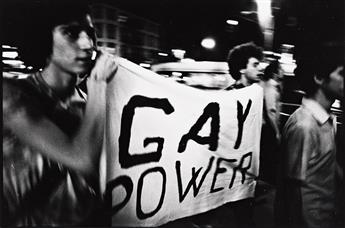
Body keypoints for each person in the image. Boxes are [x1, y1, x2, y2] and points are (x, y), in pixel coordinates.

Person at [2, 1, 118, 226]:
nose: (87, 44)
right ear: (43, 37)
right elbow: (80, 158)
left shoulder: (90, 103)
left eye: (90, 34)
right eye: (71, 33)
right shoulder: (12, 96)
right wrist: (99, 84)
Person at [275, 43, 344, 228]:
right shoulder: (304, 125)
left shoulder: (327, 119)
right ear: (319, 78)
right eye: (341, 74)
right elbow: (293, 191)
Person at [259, 60, 284, 185]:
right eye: (281, 69)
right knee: (270, 155)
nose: (283, 72)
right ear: (275, 72)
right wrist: (277, 132)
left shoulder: (266, 85)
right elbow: (271, 111)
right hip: (268, 127)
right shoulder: (271, 87)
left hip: (264, 126)